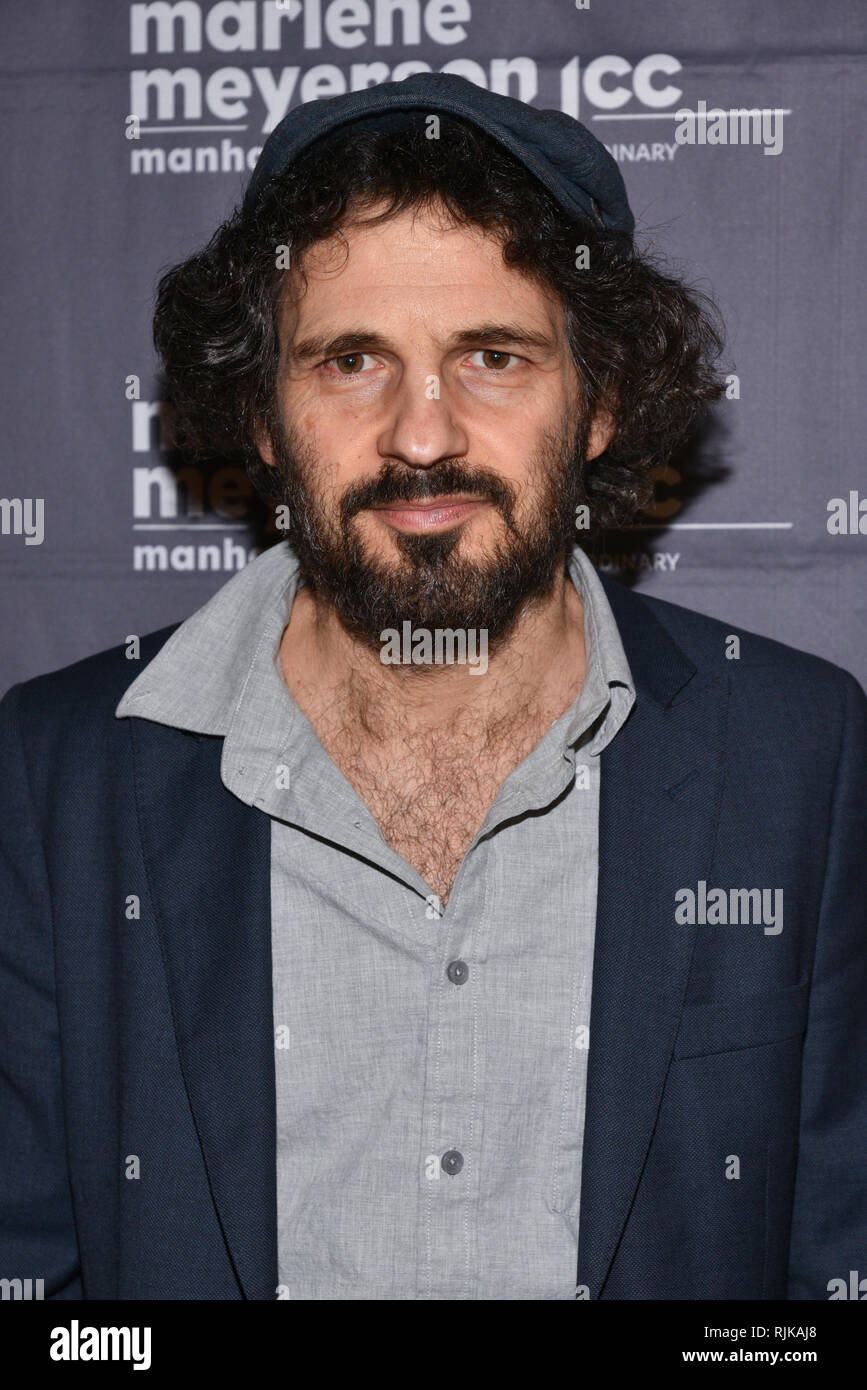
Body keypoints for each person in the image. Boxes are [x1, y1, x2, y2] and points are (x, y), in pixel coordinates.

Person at [1, 74, 864, 1301]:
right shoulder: (55, 775)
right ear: (261, 413)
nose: (422, 435)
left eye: (494, 356)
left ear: (603, 398)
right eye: (351, 359)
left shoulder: (799, 754)